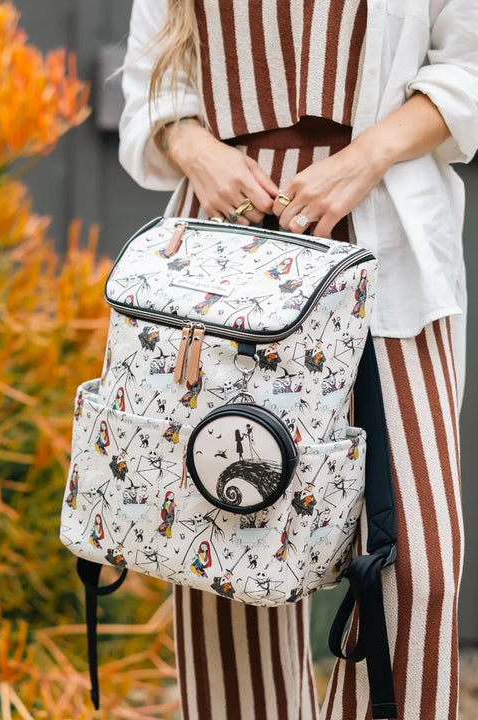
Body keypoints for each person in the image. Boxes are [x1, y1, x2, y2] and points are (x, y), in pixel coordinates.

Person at [118, 2, 478, 719]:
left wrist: (363, 158)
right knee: (229, 563)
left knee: (420, 565)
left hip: (383, 242)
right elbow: (150, 91)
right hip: (224, 257)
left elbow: (468, 67)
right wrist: (199, 152)